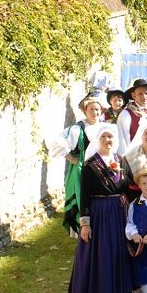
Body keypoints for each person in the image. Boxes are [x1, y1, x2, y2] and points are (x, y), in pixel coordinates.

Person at [68, 124, 134, 293]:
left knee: (115, 253)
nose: (107, 140)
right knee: (101, 254)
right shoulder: (90, 165)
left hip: (118, 213)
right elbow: (84, 195)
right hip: (100, 214)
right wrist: (85, 224)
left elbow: (128, 186)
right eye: (104, 137)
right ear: (98, 140)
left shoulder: (121, 160)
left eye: (110, 137)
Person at [61, 97, 104, 235]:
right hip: (82, 170)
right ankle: (83, 233)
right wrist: (71, 158)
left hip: (102, 169)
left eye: (97, 109)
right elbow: (57, 143)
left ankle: (99, 230)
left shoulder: (105, 127)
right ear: (85, 110)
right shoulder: (77, 128)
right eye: (91, 109)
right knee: (83, 199)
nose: (95, 112)